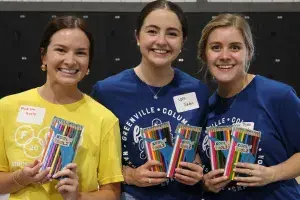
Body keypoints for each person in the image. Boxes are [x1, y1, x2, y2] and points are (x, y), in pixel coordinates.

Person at [91, 1, 209, 199]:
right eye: (152, 31)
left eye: (172, 33)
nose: (161, 41)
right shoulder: (107, 91)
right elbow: (93, 159)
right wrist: (129, 175)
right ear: (137, 36)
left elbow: (202, 149)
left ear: (183, 40)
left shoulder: (197, 91)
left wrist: (198, 170)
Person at [0, 16, 123, 200]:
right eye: (60, 50)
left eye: (80, 53)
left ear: (89, 63)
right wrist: (20, 178)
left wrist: (78, 196)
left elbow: (112, 193)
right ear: (44, 56)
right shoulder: (7, 108)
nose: (70, 61)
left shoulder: (104, 119)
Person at [197, 13, 300, 200]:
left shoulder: (277, 96)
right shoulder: (204, 109)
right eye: (216, 47)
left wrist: (272, 174)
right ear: (205, 54)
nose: (225, 56)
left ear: (249, 52)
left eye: (235, 47)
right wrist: (206, 183)